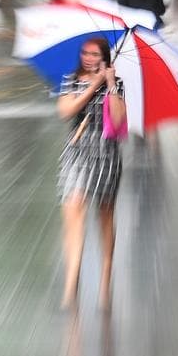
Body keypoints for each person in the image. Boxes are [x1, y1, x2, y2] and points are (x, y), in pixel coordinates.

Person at [55, 38, 126, 311]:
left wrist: (109, 85)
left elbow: (118, 120)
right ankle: (71, 284)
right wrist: (93, 85)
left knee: (105, 216)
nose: (88, 57)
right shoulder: (70, 80)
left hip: (106, 153)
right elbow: (66, 112)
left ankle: (105, 282)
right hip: (76, 152)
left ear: (104, 57)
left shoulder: (116, 83)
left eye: (94, 54)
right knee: (73, 207)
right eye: (85, 53)